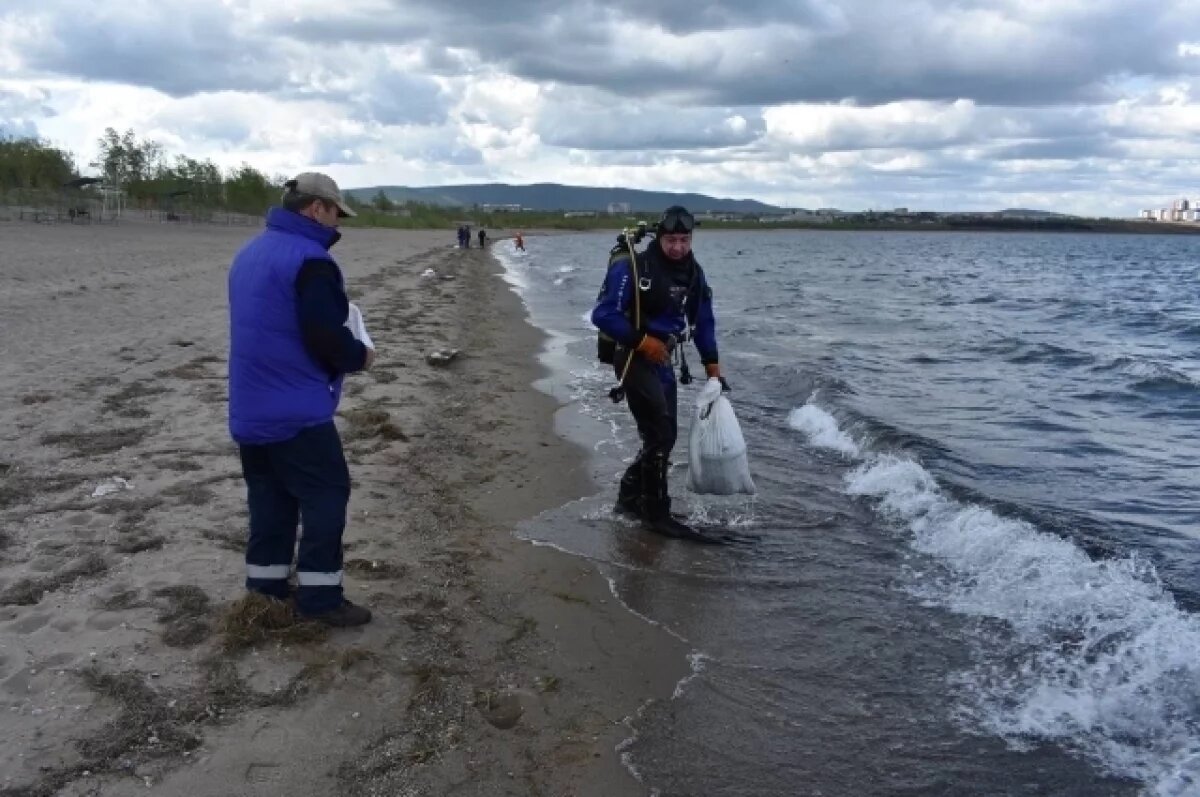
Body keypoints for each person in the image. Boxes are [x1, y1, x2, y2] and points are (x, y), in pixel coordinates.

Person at [227, 172, 375, 627]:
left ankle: (265, 589)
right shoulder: (312, 261)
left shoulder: (249, 253)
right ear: (316, 208)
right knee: (326, 493)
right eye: (336, 213)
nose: (338, 223)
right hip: (296, 410)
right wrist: (360, 356)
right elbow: (325, 335)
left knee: (270, 498)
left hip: (249, 408)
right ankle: (321, 598)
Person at [591, 205, 722, 538]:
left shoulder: (694, 274)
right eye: (671, 240)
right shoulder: (635, 268)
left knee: (666, 435)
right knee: (659, 434)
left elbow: (703, 321)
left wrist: (713, 368)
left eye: (684, 240)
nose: (678, 247)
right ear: (659, 237)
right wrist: (642, 341)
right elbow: (603, 314)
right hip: (632, 357)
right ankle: (656, 513)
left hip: (663, 359)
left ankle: (630, 498)